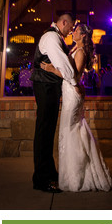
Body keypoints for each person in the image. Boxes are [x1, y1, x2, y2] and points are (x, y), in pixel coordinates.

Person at [40, 23, 112, 192]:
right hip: (68, 93)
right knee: (69, 131)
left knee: (71, 131)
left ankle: (78, 177)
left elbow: (72, 74)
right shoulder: (74, 49)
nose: (73, 32)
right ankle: (70, 174)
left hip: (73, 95)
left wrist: (51, 69)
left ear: (83, 35)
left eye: (76, 31)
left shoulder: (80, 52)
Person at [30, 12, 75, 193]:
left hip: (49, 87)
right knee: (44, 131)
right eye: (71, 27)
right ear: (64, 22)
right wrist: (72, 80)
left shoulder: (55, 36)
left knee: (47, 131)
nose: (71, 31)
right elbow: (63, 66)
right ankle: (42, 179)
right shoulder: (50, 37)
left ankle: (48, 173)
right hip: (45, 86)